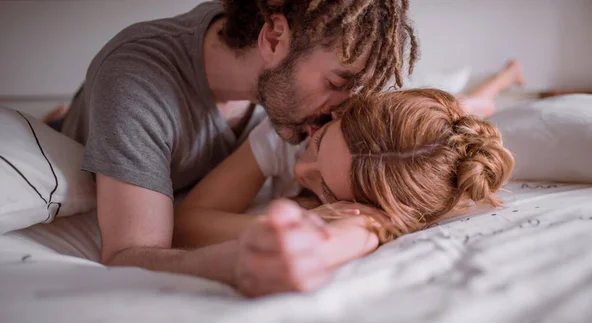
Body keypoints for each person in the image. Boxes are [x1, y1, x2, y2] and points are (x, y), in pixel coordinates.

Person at [41, 1, 419, 296]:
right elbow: (127, 254)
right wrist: (236, 262)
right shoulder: (136, 82)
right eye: (337, 82)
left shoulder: (287, 97)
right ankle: (54, 119)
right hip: (86, 129)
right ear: (273, 39)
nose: (340, 109)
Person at [172, 89, 515, 286]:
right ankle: (488, 91)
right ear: (339, 114)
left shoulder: (401, 190)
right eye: (319, 144)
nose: (300, 168)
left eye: (327, 188)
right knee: (468, 104)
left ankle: (493, 91)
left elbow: (366, 228)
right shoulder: (295, 129)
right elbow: (186, 223)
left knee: (474, 107)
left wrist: (322, 232)